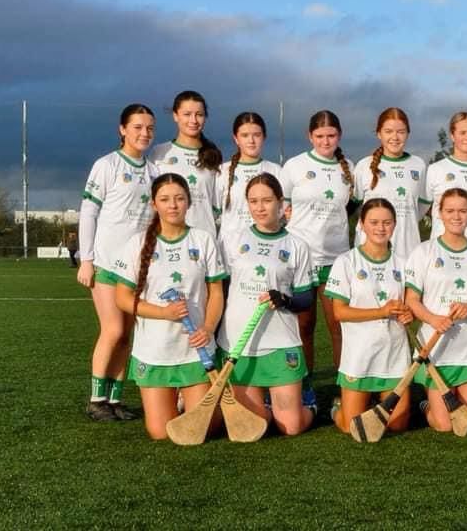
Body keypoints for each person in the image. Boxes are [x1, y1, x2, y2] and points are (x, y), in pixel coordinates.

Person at [108, 174, 227, 440]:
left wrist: (208, 329)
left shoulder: (203, 239)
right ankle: (178, 397)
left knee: (204, 430)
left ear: (188, 202)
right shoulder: (137, 244)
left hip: (196, 351)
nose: (172, 205)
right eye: (165, 199)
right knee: (161, 433)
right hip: (156, 351)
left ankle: (191, 396)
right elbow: (123, 298)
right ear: (154, 204)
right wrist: (164, 312)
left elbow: (216, 293)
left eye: (179, 198)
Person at [218, 173, 316, 435]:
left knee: (291, 427)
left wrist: (284, 299)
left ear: (280, 202)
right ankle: (271, 405)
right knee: (255, 424)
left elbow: (306, 298)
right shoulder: (232, 240)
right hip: (240, 343)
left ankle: (310, 404)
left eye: (267, 200)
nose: (260, 207)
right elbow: (221, 290)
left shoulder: (297, 245)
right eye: (253, 201)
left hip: (281, 341)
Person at [77, 103, 158, 421]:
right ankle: (96, 399)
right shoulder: (106, 165)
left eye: (150, 127)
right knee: (111, 330)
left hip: (135, 269)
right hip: (107, 265)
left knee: (127, 334)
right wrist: (87, 259)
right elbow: (88, 212)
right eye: (137, 127)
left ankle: (114, 399)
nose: (144, 133)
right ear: (122, 129)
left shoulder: (153, 172)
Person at [404, 188, 467, 432]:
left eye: (462, 211)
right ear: (440, 214)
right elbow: (412, 300)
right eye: (450, 211)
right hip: (436, 350)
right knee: (445, 425)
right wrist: (433, 319)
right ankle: (426, 405)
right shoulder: (423, 252)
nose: (456, 216)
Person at [280, 110, 356, 404]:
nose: (326, 141)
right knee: (303, 326)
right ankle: (304, 386)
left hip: (336, 260)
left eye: (332, 135)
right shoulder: (295, 166)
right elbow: (283, 209)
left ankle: (345, 388)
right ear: (310, 136)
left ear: (340, 136)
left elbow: (351, 207)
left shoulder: (347, 167)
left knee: (339, 326)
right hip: (301, 259)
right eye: (320, 136)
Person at [325, 198, 414, 434]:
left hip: (394, 355)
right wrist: (381, 311)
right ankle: (336, 408)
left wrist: (408, 314)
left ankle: (374, 404)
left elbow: (410, 306)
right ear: (362, 225)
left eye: (386, 222)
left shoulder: (403, 264)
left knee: (397, 425)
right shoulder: (346, 262)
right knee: (351, 427)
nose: (380, 228)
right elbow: (339, 312)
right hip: (359, 356)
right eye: (373, 222)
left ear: (394, 225)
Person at [353, 108, 429, 259]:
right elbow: (355, 207)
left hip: (408, 251)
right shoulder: (364, 165)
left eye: (401, 131)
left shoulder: (418, 165)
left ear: (408, 133)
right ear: (379, 134)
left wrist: (404, 220)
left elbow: (421, 208)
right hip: (369, 252)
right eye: (388, 131)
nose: (395, 137)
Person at [149, 91, 223, 238]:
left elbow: (217, 205)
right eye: (187, 114)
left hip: (204, 238)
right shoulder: (159, 153)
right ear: (175, 116)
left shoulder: (213, 155)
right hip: (166, 239)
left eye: (199, 115)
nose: (193, 120)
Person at [215, 112, 283, 254]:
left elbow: (282, 213)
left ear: (264, 137)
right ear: (236, 138)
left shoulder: (276, 171)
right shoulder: (222, 172)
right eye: (245, 135)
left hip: (267, 252)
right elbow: (214, 213)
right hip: (230, 254)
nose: (251, 140)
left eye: (256, 135)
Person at [424, 111, 467, 243]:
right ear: (452, 135)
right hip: (441, 254)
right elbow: (421, 210)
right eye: (462, 133)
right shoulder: (435, 170)